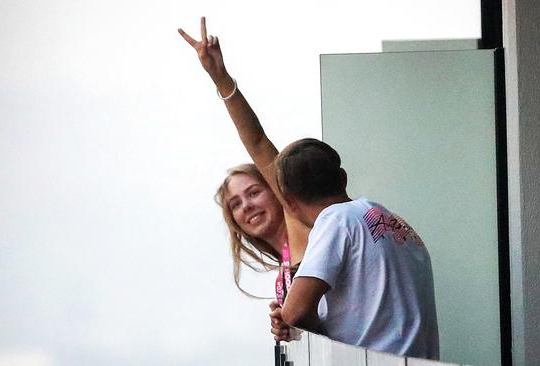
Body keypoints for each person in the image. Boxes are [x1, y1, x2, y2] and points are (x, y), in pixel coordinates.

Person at [270, 138, 439, 359]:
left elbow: (296, 312)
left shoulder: (336, 219)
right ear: (343, 178)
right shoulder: (397, 225)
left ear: (290, 202)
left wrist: (297, 320)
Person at [178, 18, 309, 302]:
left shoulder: (304, 224)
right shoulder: (285, 270)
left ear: (276, 190)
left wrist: (220, 78)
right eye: (235, 204)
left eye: (253, 192)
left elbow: (258, 142)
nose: (246, 205)